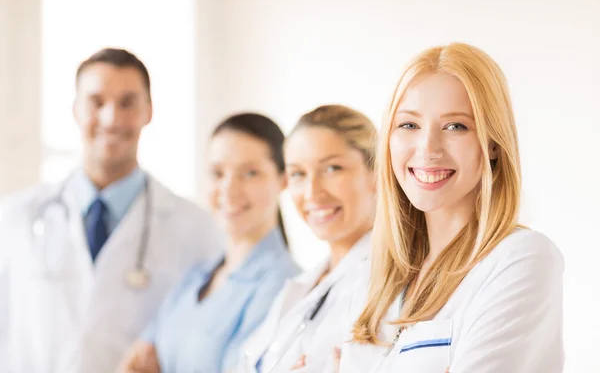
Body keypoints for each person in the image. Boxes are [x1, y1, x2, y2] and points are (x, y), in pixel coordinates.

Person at [337, 43, 564, 372]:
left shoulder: (521, 259)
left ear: (493, 144)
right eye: (409, 125)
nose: (428, 149)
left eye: (456, 126)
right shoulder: (373, 276)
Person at [0, 48, 223, 373]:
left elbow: (205, 347)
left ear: (149, 111)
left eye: (128, 102)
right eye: (96, 102)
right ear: (76, 110)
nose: (111, 118)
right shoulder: (15, 217)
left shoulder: (196, 229)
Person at [118, 113, 301, 373]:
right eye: (217, 173)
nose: (229, 188)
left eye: (250, 173)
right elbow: (136, 361)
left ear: (283, 179)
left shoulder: (285, 286)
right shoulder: (195, 277)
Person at [239, 105, 378, 373]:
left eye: (332, 168)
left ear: (375, 170)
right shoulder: (303, 285)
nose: (312, 193)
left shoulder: (386, 283)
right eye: (298, 174)